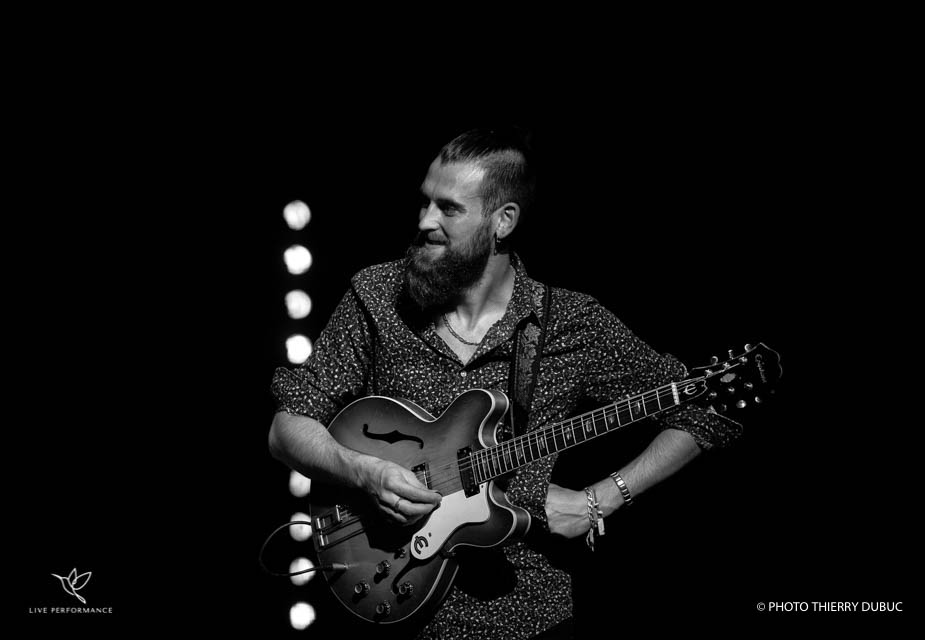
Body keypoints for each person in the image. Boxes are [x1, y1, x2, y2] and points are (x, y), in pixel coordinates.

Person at [268, 127, 742, 639]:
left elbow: (704, 410)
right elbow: (286, 428)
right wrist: (364, 472)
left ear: (503, 221)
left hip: (526, 616)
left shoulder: (570, 323)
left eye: (449, 209)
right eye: (425, 202)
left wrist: (604, 497)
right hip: (385, 602)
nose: (424, 221)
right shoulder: (378, 295)